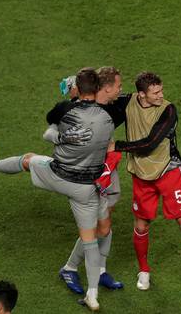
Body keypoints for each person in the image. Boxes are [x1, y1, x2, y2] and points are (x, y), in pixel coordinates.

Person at [0, 68, 115, 311]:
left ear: (78, 88)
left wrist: (62, 136)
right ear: (96, 90)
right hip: (85, 188)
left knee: (29, 159)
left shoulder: (66, 108)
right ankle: (92, 295)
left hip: (58, 174)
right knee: (90, 241)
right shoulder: (107, 119)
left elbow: (50, 124)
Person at [107, 72, 181, 300]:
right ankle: (144, 271)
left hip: (168, 171)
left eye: (161, 90)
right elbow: (107, 114)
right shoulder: (128, 102)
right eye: (156, 92)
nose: (161, 95)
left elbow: (150, 144)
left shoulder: (168, 110)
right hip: (141, 176)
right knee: (141, 226)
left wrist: (117, 146)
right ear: (141, 94)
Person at [50, 67, 125, 294]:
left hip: (106, 171)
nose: (121, 91)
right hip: (85, 174)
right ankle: (70, 268)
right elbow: (54, 123)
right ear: (104, 88)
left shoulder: (115, 106)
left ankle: (101, 270)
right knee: (91, 227)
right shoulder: (76, 109)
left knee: (105, 223)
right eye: (118, 87)